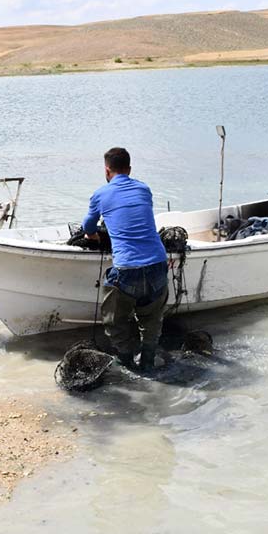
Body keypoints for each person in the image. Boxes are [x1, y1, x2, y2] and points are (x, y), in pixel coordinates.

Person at [82, 147, 169, 371]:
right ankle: (148, 361)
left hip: (127, 270)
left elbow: (88, 228)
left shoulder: (100, 194)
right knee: (152, 321)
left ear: (106, 170)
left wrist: (92, 235)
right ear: (129, 169)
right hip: (158, 264)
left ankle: (126, 361)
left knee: (114, 321)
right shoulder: (144, 189)